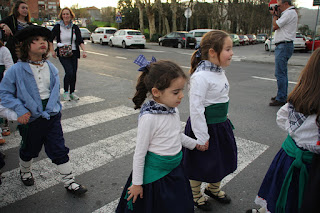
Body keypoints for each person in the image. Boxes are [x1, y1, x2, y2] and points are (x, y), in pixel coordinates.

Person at [0, 25, 87, 195]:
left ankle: (69, 181)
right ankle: (25, 171)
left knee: (59, 148)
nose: (43, 43)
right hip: (31, 118)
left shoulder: (51, 67)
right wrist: (19, 111)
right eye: (37, 41)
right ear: (26, 45)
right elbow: (4, 94)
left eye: (45, 41)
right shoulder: (15, 70)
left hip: (51, 116)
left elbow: (54, 91)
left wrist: (55, 108)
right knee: (29, 149)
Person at [116, 55, 209, 213]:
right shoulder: (149, 118)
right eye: (175, 92)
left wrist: (195, 144)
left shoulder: (172, 110)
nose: (181, 95)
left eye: (181, 90)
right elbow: (140, 154)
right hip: (156, 177)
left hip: (175, 170)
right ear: (156, 92)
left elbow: (176, 135)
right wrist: (137, 184)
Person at [247, 48, 320, 213]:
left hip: (288, 157)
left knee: (282, 195)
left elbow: (281, 117)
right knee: (295, 201)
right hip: (310, 166)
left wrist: (295, 134)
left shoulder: (301, 95)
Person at [182, 30, 237, 211]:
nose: (231, 53)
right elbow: (196, 109)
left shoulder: (218, 71)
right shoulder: (201, 77)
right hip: (205, 129)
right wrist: (201, 136)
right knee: (200, 163)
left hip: (220, 126)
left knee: (220, 160)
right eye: (228, 49)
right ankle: (195, 194)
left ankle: (213, 189)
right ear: (213, 52)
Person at [49, 7, 87, 102]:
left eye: (67, 14)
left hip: (74, 52)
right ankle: (66, 92)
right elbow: (50, 39)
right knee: (69, 71)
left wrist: (84, 51)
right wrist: (52, 51)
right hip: (63, 52)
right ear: (61, 16)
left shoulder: (74, 27)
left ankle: (72, 92)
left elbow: (80, 40)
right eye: (64, 14)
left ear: (71, 16)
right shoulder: (58, 27)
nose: (66, 16)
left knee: (74, 73)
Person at [269, 0, 298, 106]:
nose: (278, 6)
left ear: (285, 3)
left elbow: (275, 26)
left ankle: (281, 97)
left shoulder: (289, 13)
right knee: (282, 73)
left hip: (283, 45)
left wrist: (275, 15)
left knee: (280, 73)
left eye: (279, 4)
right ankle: (281, 95)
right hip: (284, 45)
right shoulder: (289, 13)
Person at [0, 40, 14, 144]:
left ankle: (5, 124)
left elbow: (9, 66)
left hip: (1, 80)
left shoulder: (3, 50)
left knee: (3, 104)